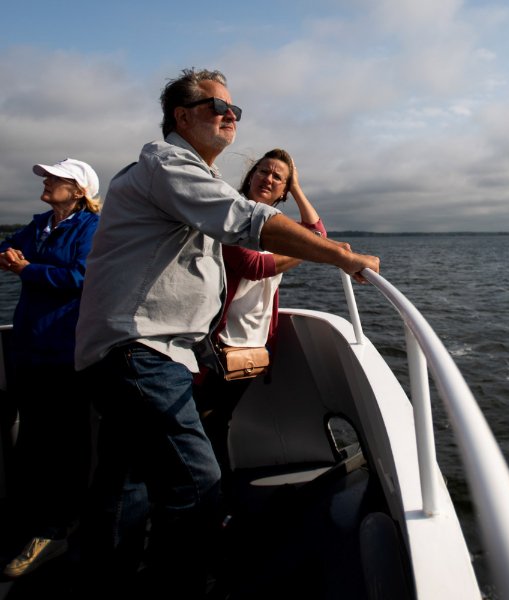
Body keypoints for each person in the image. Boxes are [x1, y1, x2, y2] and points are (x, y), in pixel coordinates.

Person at [74, 68, 379, 597]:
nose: (230, 117)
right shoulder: (168, 163)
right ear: (183, 116)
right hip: (140, 350)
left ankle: (106, 582)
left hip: (134, 350)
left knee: (127, 486)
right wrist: (340, 257)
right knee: (198, 485)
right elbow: (246, 222)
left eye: (236, 111)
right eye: (219, 107)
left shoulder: (186, 177)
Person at [194, 148, 327, 479]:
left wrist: (297, 188)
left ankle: (214, 502)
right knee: (201, 425)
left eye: (278, 177)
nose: (268, 178)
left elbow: (319, 234)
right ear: (250, 176)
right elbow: (252, 266)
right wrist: (306, 250)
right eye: (263, 171)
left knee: (217, 423)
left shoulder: (278, 227)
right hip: (218, 345)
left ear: (283, 190)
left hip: (254, 349)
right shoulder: (230, 216)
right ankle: (201, 503)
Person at [0, 158, 101, 578]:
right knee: (33, 439)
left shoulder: (90, 228)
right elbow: (8, 249)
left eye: (57, 178)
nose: (47, 182)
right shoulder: (41, 223)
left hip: (65, 348)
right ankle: (25, 524)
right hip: (29, 345)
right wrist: (8, 254)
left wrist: (27, 268)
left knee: (65, 441)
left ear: (78, 190)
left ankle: (60, 528)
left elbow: (81, 276)